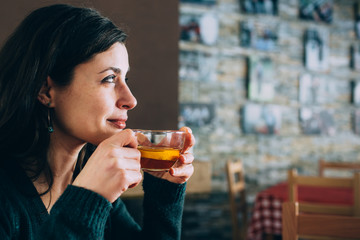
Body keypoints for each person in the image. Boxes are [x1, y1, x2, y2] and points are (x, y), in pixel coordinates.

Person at [0, 4, 195, 239]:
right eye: (110, 78)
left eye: (125, 78)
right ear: (46, 90)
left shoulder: (89, 177)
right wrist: (87, 199)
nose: (130, 100)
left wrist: (164, 191)